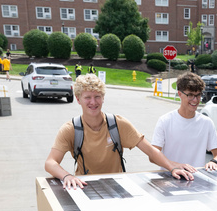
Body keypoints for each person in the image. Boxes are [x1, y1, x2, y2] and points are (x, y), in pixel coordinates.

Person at [44, 73, 196, 189]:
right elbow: (50, 162)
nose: (93, 102)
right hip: (85, 187)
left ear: (103, 98)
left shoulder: (118, 124)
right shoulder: (71, 129)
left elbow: (150, 151)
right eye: (87, 97)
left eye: (97, 96)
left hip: (118, 187)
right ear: (78, 99)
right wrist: (66, 176)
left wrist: (172, 167)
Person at [151, 72, 217, 171]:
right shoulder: (165, 121)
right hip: (168, 178)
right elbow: (152, 156)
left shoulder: (207, 122)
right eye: (190, 95)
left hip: (195, 179)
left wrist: (213, 162)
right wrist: (174, 165)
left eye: (198, 95)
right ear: (180, 94)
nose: (195, 100)